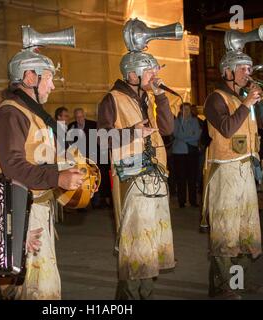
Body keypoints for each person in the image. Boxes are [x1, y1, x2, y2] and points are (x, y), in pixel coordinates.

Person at [0, 37, 83, 300]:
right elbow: (14, 167)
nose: (52, 85)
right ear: (30, 77)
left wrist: (66, 165)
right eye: (48, 78)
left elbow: (37, 156)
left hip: (36, 206)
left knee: (38, 285)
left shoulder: (27, 111)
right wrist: (57, 176)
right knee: (33, 290)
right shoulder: (11, 113)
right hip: (21, 210)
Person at [97, 24, 176, 299]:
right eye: (150, 71)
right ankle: (129, 298)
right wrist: (133, 132)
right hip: (130, 179)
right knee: (135, 244)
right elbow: (101, 139)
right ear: (132, 74)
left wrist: (161, 96)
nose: (155, 75)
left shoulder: (149, 99)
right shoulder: (112, 99)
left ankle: (146, 294)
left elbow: (167, 130)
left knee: (151, 242)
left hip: (154, 177)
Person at [203, 28, 263, 299]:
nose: (248, 73)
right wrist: (246, 103)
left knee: (246, 228)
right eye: (243, 69)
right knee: (225, 229)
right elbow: (225, 128)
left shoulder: (247, 98)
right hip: (224, 171)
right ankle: (221, 287)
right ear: (227, 72)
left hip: (246, 171)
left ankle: (239, 283)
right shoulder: (215, 98)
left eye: (249, 68)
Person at [172, 102, 201, 208]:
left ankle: (193, 201)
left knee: (192, 178)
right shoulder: (177, 121)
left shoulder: (194, 121)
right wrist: (189, 136)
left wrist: (184, 137)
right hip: (179, 153)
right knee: (181, 178)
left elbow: (197, 135)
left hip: (192, 153)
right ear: (180, 110)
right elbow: (176, 134)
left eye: (188, 109)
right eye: (184, 109)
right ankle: (181, 201)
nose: (187, 111)